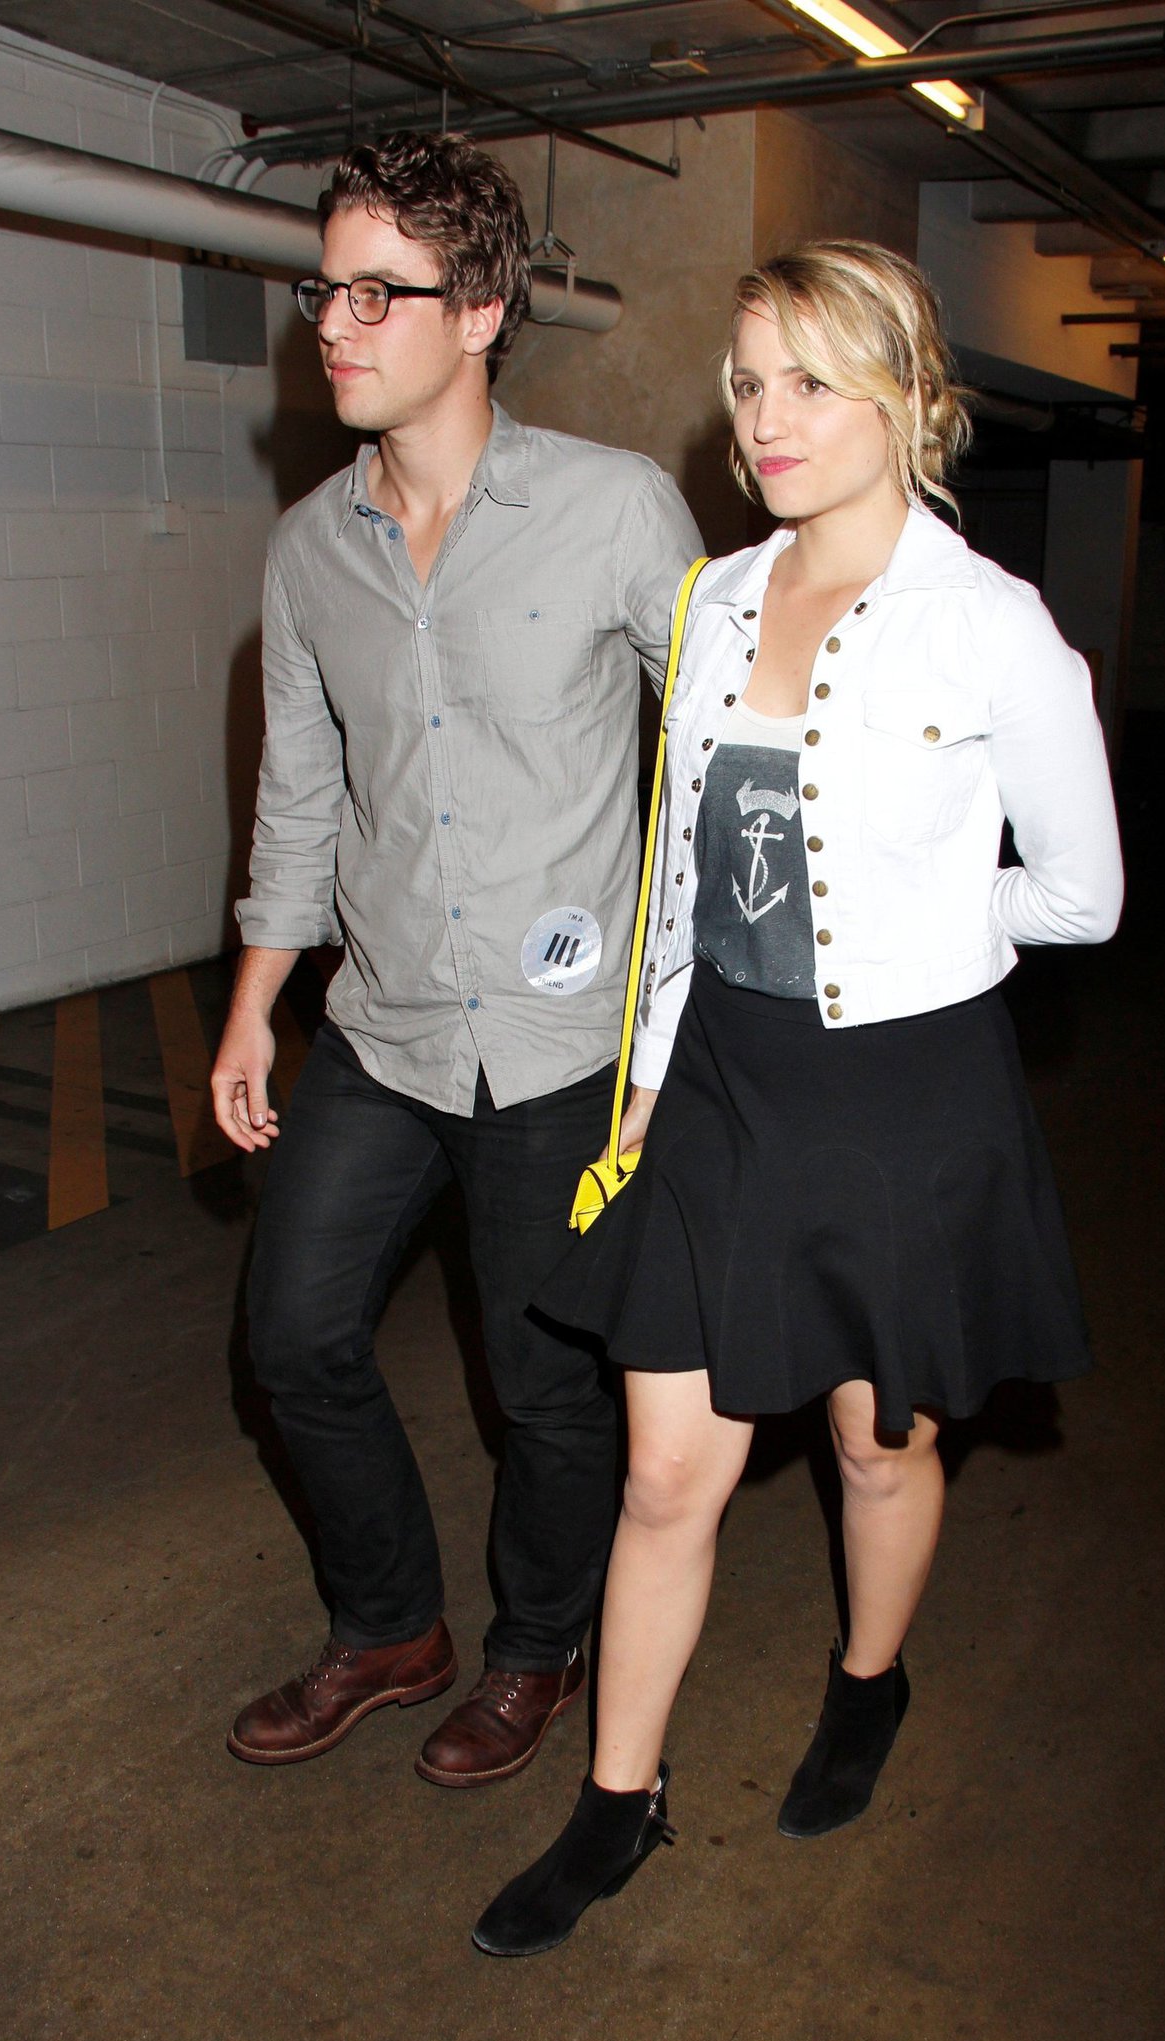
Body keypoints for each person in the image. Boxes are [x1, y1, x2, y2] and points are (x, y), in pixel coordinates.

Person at [472, 240, 1124, 1954]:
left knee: (870, 1438)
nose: (766, 419)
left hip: (902, 1095)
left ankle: (867, 1678)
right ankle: (616, 1802)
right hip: (717, 1085)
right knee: (663, 1474)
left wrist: (926, 913)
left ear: (908, 398)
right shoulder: (711, 599)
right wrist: (641, 1086)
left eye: (811, 385)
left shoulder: (989, 628)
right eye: (749, 383)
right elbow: (681, 879)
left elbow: (1080, 895)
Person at [212, 133, 702, 1788]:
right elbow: (298, 799)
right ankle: (389, 1627)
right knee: (292, 1337)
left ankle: (533, 1650)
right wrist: (254, 1009)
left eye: (380, 293)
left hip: (561, 1047)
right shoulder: (308, 551)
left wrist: (702, 1016)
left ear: (481, 309)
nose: (333, 326)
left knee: (546, 1392)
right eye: (324, 291)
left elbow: (724, 749)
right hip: (382, 1024)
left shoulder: (613, 510)